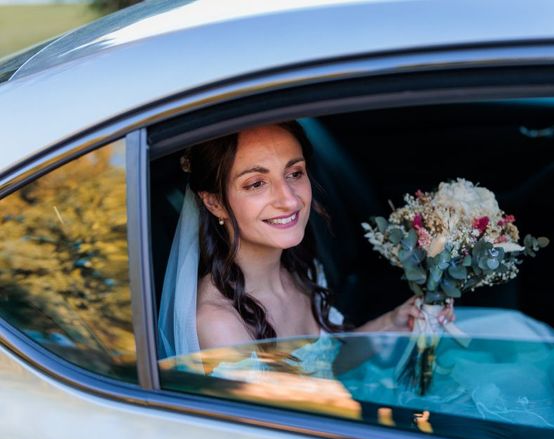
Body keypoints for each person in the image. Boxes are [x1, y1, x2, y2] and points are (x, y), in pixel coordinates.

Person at [158, 121, 421, 358]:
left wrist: (392, 321)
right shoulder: (220, 325)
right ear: (215, 203)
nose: (290, 200)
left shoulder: (303, 269)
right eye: (256, 184)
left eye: (294, 173)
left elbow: (329, 362)